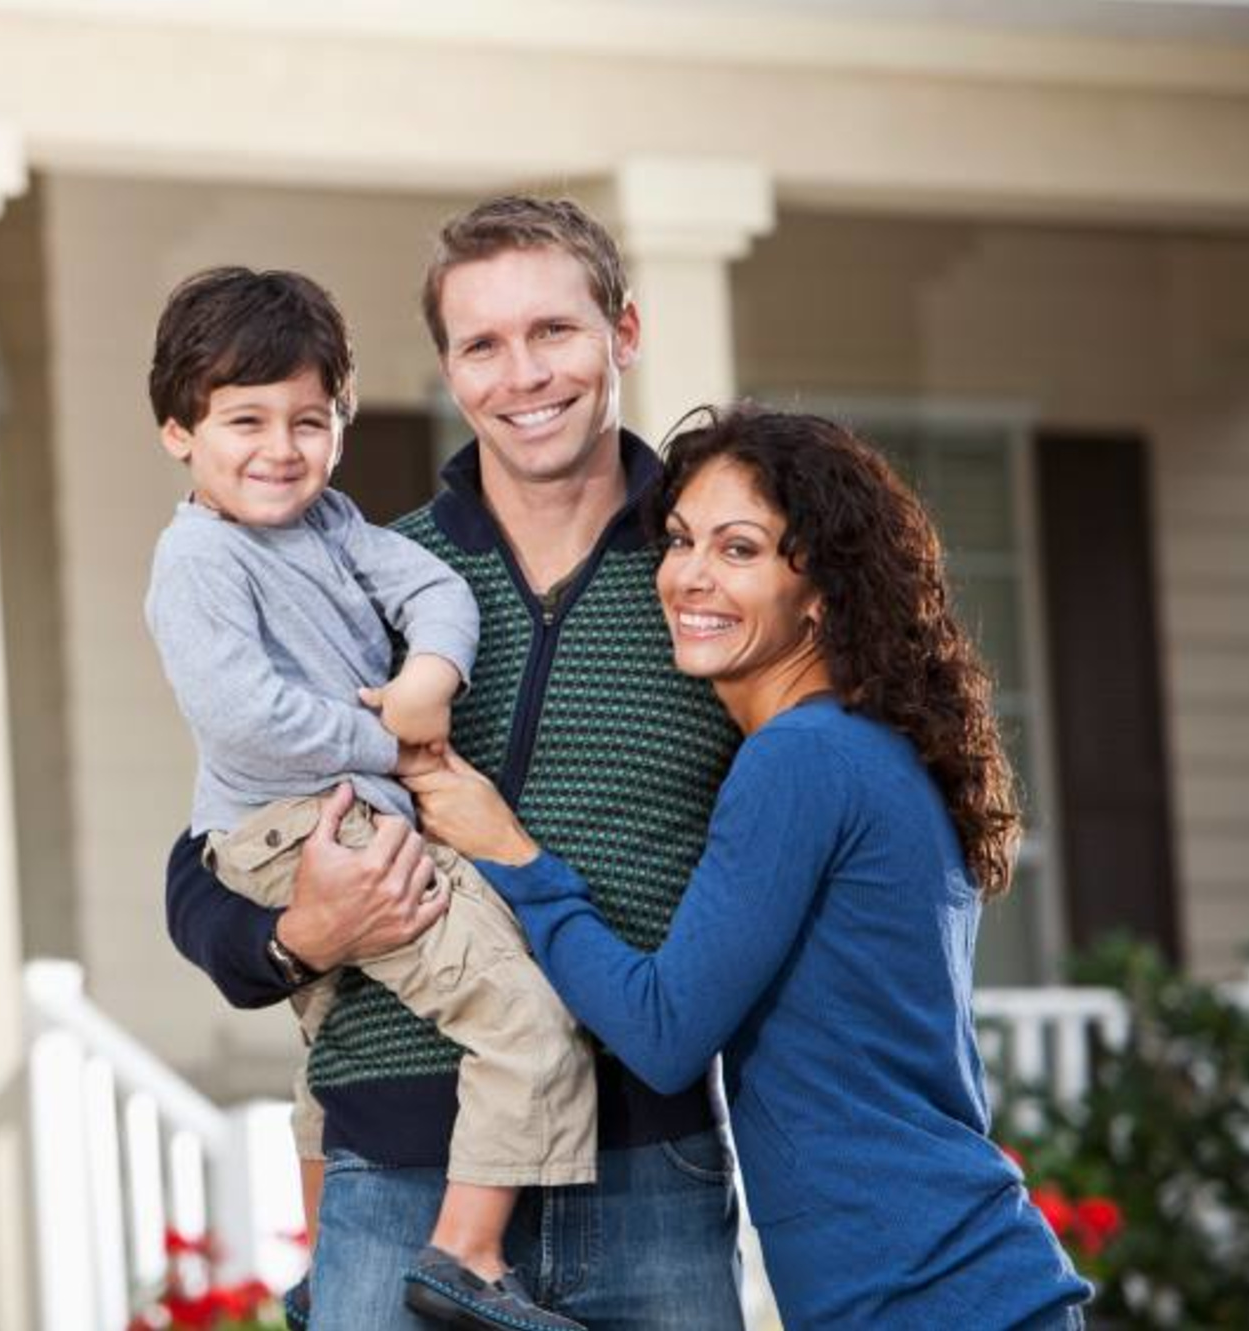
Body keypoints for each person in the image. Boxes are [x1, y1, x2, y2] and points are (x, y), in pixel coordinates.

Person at [164, 198, 746, 1331]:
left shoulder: (707, 574)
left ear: (622, 332)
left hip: (651, 1178)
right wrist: (294, 937)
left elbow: (798, 814)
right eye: (481, 343)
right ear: (446, 367)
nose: (521, 374)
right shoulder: (358, 569)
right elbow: (206, 852)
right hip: (397, 1174)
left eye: (553, 332)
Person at [409, 404, 1095, 1329]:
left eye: (740, 549)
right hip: (943, 1284)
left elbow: (662, 1030)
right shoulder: (856, 746)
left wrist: (511, 852)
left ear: (822, 588)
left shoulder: (800, 759)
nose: (690, 574)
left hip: (927, 1293)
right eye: (683, 538)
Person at [143, 267, 597, 1331]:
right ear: (178, 432)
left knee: (329, 1042)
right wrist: (390, 742)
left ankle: (316, 1266)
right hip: (296, 821)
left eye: (309, 419)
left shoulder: (332, 523)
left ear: (340, 423)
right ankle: (467, 1252)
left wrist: (429, 675)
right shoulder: (196, 559)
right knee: (527, 1017)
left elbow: (433, 589)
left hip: (334, 808)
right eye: (244, 419)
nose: (279, 447)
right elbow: (245, 716)